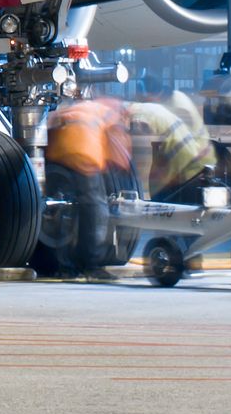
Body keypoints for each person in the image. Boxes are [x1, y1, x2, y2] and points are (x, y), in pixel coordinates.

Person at [45, 95, 128, 277]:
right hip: (82, 153)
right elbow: (118, 148)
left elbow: (50, 123)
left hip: (56, 153)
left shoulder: (78, 108)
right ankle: (91, 265)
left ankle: (62, 266)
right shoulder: (112, 112)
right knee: (96, 210)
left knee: (59, 214)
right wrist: (118, 166)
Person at [131, 89, 218, 205]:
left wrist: (143, 194)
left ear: (150, 95)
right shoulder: (168, 104)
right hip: (196, 162)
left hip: (192, 167)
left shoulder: (140, 116)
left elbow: (141, 159)